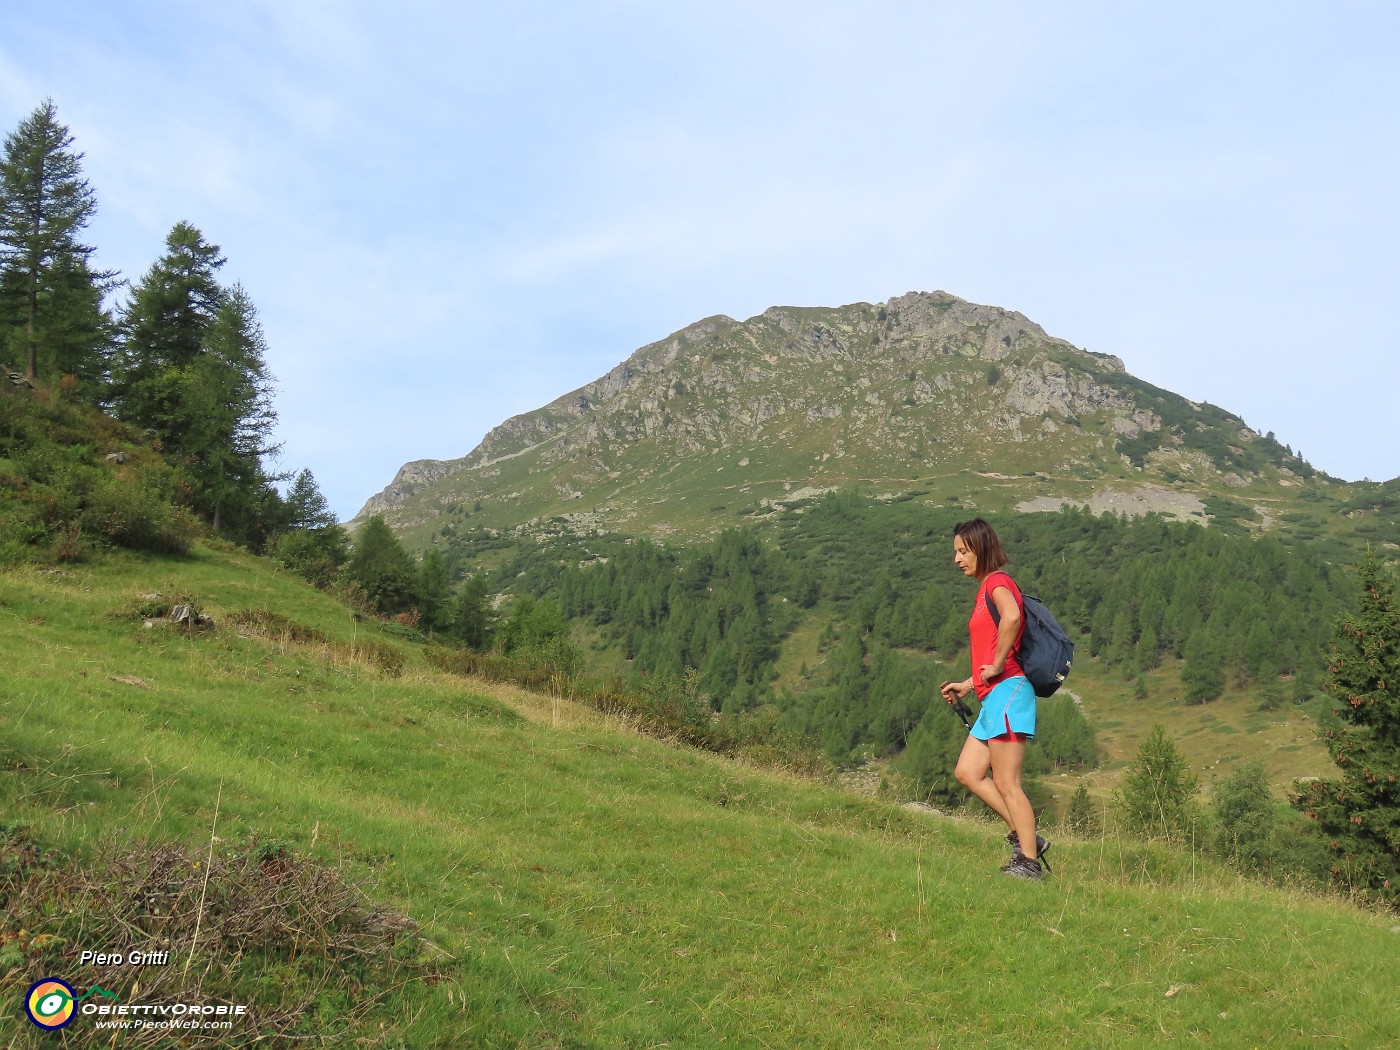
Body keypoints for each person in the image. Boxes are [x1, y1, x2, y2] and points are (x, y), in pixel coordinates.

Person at [940, 518, 1050, 880]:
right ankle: (1027, 836)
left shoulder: (997, 582)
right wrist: (969, 684)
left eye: (962, 551)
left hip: (1009, 693)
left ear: (981, 547)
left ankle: (1029, 864)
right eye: (956, 551)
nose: (956, 558)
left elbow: (1013, 618)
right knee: (968, 772)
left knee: (1007, 782)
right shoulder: (984, 588)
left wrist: (999, 663)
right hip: (993, 695)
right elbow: (991, 647)